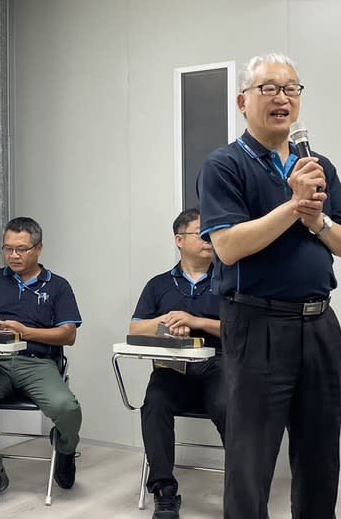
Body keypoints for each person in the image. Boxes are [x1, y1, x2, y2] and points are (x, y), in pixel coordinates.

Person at [197, 53, 341, 519]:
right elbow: (228, 247)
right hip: (257, 323)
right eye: (269, 88)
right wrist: (293, 206)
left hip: (319, 325)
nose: (282, 98)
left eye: (291, 89)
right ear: (242, 101)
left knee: (319, 458)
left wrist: (318, 219)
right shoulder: (224, 165)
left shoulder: (318, 165)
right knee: (251, 460)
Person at [0, 216, 83, 507]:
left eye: (21, 249)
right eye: (8, 248)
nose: (13, 255)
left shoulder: (58, 286)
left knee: (66, 408)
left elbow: (69, 335)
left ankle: (65, 449)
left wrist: (26, 332)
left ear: (38, 249)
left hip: (37, 362)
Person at [130, 208, 225, 519]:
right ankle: (164, 491)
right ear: (179, 240)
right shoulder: (158, 285)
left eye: (212, 231)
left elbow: (241, 329)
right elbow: (135, 329)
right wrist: (167, 324)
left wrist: (196, 320)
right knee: (154, 403)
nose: (209, 238)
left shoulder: (229, 280)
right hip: (172, 369)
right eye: (201, 232)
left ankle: (242, 487)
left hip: (218, 368)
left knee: (231, 407)